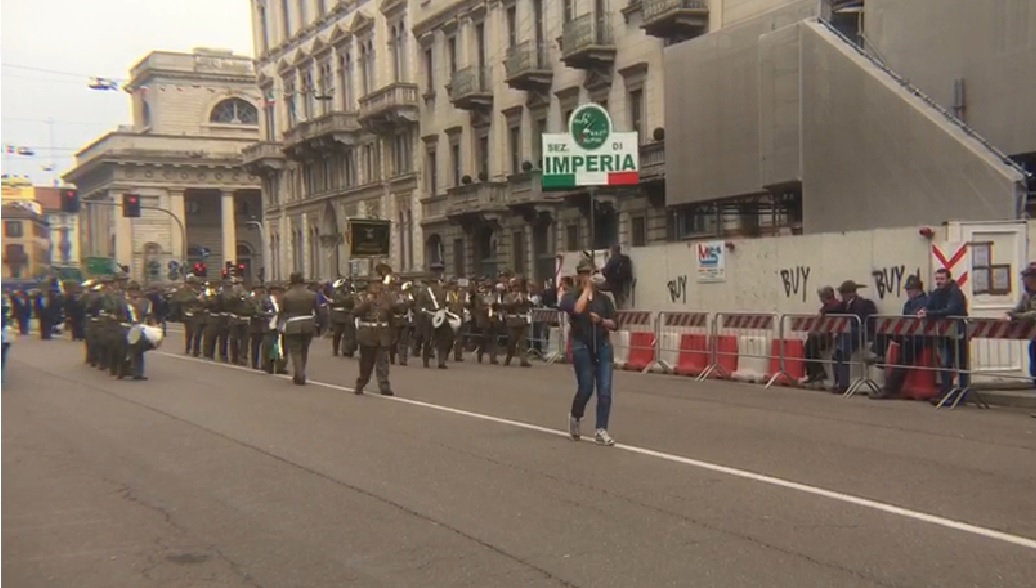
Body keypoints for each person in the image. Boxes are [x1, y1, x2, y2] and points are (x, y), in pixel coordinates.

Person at [559, 257, 618, 446]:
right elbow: (576, 309)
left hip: (602, 345)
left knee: (605, 390)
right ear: (578, 275)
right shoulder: (571, 295)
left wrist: (601, 321)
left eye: (590, 273)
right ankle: (575, 417)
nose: (587, 277)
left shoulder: (605, 299)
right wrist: (586, 291)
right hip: (581, 344)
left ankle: (601, 429)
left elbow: (615, 323)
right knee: (585, 387)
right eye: (584, 273)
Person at [872, 275, 929, 400]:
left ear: (917, 290)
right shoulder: (909, 303)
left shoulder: (924, 301)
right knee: (884, 332)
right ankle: (880, 354)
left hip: (917, 338)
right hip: (908, 334)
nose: (908, 293)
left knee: (903, 360)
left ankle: (891, 388)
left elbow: (914, 319)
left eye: (909, 290)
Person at [353, 277, 396, 396]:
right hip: (368, 334)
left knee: (384, 362)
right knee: (366, 363)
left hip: (383, 334)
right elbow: (356, 312)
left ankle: (384, 386)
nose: (378, 286)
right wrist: (368, 302)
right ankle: (361, 383)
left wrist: (393, 333)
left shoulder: (386, 297)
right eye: (375, 284)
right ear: (369, 285)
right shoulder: (361, 297)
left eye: (379, 284)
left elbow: (392, 315)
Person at [280, 272, 319, 385]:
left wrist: (280, 325)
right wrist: (320, 325)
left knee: (295, 351)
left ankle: (299, 375)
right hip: (308, 323)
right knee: (304, 350)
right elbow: (318, 311)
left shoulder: (287, 295)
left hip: (293, 324)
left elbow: (283, 312)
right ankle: (300, 372)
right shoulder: (312, 294)